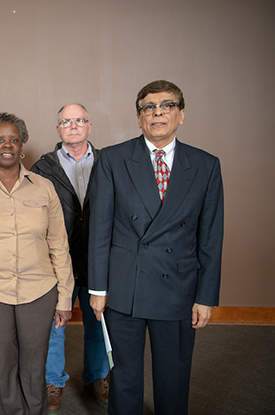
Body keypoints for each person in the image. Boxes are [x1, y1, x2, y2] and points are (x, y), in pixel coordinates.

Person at [88, 80, 224, 415]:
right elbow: (99, 228)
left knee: (174, 375)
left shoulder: (206, 165)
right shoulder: (113, 159)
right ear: (139, 118)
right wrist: (98, 288)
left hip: (177, 286)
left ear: (181, 115)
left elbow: (210, 237)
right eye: (149, 107)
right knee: (124, 375)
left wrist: (205, 296)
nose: (157, 112)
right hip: (124, 287)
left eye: (167, 105)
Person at [0, 112, 74, 415]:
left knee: (35, 365)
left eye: (14, 140)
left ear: (22, 146)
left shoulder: (45, 189)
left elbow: (59, 245)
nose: (7, 145)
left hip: (40, 291)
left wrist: (65, 297)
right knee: (0, 364)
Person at [31, 103, 110, 411]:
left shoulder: (108, 162)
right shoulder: (43, 167)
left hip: (97, 260)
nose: (73, 125)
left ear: (89, 126)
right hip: (56, 262)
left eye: (79, 120)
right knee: (55, 326)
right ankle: (53, 381)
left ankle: (96, 376)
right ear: (58, 129)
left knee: (97, 323)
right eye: (66, 121)